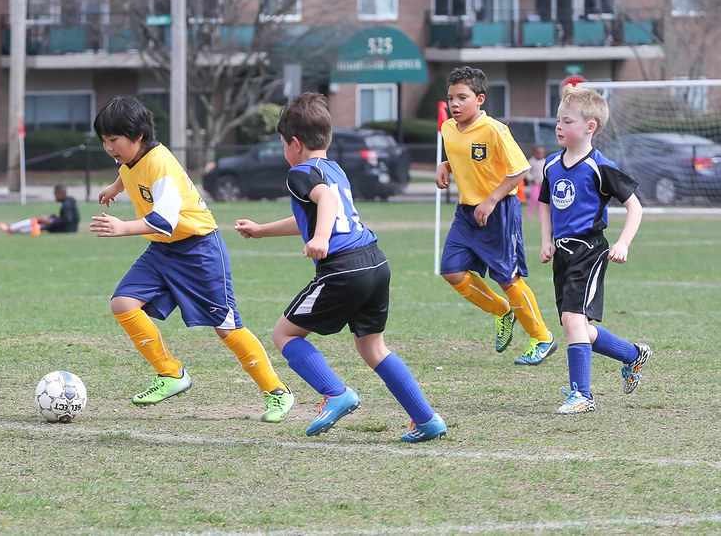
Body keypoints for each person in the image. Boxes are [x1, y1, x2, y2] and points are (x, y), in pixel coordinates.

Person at [235, 92, 447, 442]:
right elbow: (318, 211)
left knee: (284, 334)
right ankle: (426, 419)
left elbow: (327, 204)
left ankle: (335, 393)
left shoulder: (299, 172)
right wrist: (262, 231)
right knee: (374, 348)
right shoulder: (333, 169)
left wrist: (319, 239)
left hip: (343, 269)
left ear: (295, 143)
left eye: (283, 143)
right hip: (374, 261)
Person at [88, 96, 294, 422]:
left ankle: (277, 392)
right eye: (104, 141)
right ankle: (170, 373)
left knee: (226, 328)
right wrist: (115, 187)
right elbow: (128, 170)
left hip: (199, 250)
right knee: (123, 303)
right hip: (163, 250)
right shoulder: (132, 158)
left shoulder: (160, 164)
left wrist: (124, 226)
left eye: (114, 140)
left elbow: (164, 220)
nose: (109, 148)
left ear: (138, 136)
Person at [539, 86, 650, 414]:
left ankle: (581, 395)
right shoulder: (550, 166)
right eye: (557, 119)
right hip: (561, 252)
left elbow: (636, 208)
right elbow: (544, 205)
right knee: (576, 326)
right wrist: (546, 240)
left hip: (590, 250)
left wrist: (623, 243)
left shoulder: (600, 167)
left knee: (574, 319)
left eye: (567, 120)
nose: (558, 126)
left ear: (589, 127)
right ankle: (632, 354)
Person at [435, 65, 557, 365]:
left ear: (480, 99)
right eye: (451, 97)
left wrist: (490, 201)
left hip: (499, 212)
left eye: (462, 97)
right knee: (451, 271)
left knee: (508, 279)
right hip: (466, 213)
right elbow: (464, 156)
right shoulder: (447, 129)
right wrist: (445, 165)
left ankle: (542, 338)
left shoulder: (495, 130)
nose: (454, 104)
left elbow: (519, 170)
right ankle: (502, 311)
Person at [0, 184, 79, 234]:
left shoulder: (66, 205)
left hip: (67, 229)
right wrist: (57, 218)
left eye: (56, 194)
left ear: (61, 194)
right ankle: (13, 228)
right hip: (71, 228)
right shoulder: (70, 201)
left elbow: (68, 220)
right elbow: (70, 218)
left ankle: (13, 228)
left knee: (41, 222)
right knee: (42, 219)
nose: (55, 197)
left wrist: (51, 222)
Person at [526, 146, 547, 219]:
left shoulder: (544, 161)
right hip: (534, 183)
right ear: (534, 153)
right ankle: (529, 214)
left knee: (541, 200)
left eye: (542, 153)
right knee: (534, 198)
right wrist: (531, 178)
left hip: (542, 183)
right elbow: (527, 172)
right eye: (538, 153)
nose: (540, 154)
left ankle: (540, 214)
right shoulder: (531, 161)